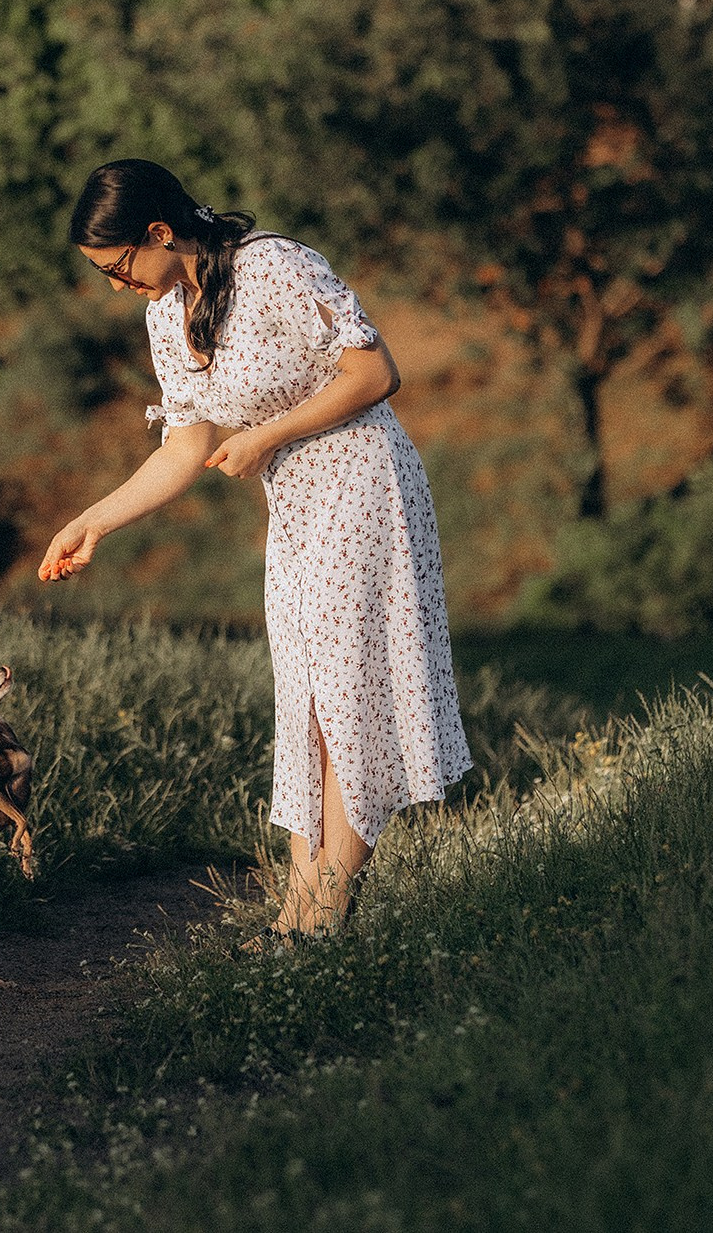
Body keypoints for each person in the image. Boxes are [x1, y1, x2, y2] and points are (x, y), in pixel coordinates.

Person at [39, 159, 472, 939]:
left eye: (118, 267)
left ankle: (320, 914)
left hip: (363, 481)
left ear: (159, 232)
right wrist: (94, 520)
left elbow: (376, 370)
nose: (115, 286)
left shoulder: (272, 265)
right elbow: (184, 446)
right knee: (307, 699)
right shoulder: (165, 315)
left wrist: (266, 434)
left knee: (350, 694)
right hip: (297, 509)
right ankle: (300, 909)